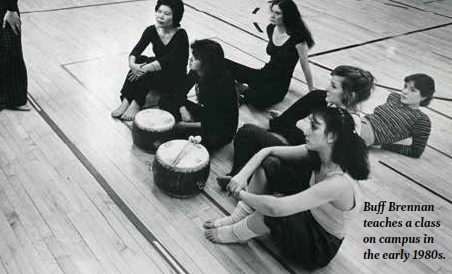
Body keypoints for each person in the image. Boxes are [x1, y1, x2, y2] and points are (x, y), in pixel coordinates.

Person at [204, 106, 369, 269]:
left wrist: (241, 194)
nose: (306, 131)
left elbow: (276, 208)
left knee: (275, 208)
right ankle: (237, 218)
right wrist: (241, 176)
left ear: (331, 136)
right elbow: (268, 151)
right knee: (271, 165)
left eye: (313, 127)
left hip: (320, 244)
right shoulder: (322, 151)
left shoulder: (339, 182)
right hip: (310, 214)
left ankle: (235, 234)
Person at [228, 65, 374, 176]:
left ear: (351, 95)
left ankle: (238, 176)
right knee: (288, 119)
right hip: (310, 146)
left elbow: (312, 155)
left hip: (311, 166)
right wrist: (282, 121)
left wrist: (270, 148)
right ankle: (276, 125)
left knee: (247, 132)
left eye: (334, 86)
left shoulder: (347, 124)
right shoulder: (325, 100)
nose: (328, 88)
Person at [225, 0, 314, 109]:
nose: (272, 16)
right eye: (272, 11)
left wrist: (311, 92)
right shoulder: (271, 28)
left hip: (279, 85)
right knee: (220, 61)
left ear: (287, 16)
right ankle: (242, 91)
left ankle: (239, 88)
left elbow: (305, 67)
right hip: (263, 74)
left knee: (259, 102)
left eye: (277, 13)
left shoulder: (298, 38)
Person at [111, 0, 189, 120]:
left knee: (148, 69)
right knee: (140, 60)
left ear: (176, 16)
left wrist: (145, 68)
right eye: (159, 11)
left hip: (174, 77)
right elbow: (136, 50)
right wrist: (133, 65)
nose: (161, 16)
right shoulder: (152, 30)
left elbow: (168, 60)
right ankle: (126, 100)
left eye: (167, 14)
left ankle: (136, 103)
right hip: (157, 70)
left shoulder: (181, 35)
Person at [159, 39, 238, 153]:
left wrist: (185, 125)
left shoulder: (220, 84)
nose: (190, 59)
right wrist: (183, 109)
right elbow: (180, 91)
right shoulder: (197, 71)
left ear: (207, 63)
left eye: (195, 58)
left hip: (220, 128)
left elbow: (214, 122)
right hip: (207, 115)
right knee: (166, 100)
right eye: (192, 56)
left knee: (197, 142)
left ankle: (184, 131)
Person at [362, 73, 435, 158]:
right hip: (360, 121)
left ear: (424, 97)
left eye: (412, 90)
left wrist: (383, 146)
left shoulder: (421, 119)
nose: (404, 91)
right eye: (405, 86)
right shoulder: (394, 97)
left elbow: (415, 151)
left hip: (366, 134)